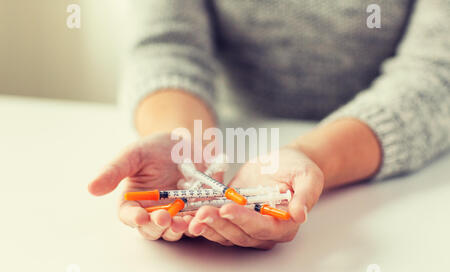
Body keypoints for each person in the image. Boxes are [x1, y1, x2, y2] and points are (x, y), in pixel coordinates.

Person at [88, 0, 450, 249]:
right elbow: (166, 44)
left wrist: (311, 157)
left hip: (393, 176)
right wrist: (184, 139)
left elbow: (435, 73)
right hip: (231, 130)